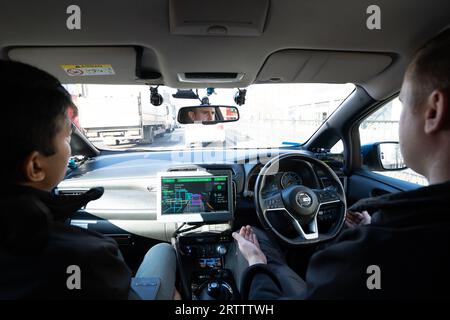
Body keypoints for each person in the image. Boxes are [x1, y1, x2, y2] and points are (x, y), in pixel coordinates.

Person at [233, 28, 450, 299]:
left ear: (434, 111)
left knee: (256, 237)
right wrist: (371, 228)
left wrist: (256, 263)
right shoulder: (390, 239)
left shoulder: (371, 253)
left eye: (402, 104)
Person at [0, 60, 177, 300]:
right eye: (66, 137)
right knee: (163, 250)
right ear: (35, 166)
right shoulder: (84, 256)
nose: (71, 148)